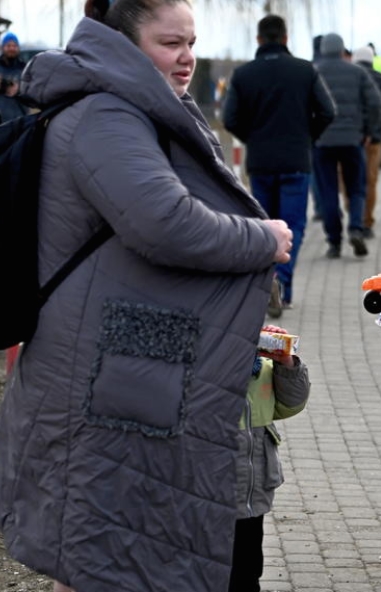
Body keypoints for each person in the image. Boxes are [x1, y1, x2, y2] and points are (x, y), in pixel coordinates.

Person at [0, 1, 295, 591]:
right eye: (170, 43)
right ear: (124, 45)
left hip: (112, 362)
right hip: (90, 369)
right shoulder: (108, 116)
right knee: (93, 547)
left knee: (99, 549)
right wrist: (262, 238)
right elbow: (163, 221)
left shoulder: (130, 108)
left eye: (191, 41)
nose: (187, 57)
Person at [224, 14, 336, 315]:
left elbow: (229, 118)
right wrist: (306, 138)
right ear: (286, 38)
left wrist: (253, 139)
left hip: (260, 163)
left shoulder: (243, 74)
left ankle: (264, 285)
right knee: (293, 226)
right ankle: (281, 284)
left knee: (264, 226)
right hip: (296, 161)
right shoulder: (304, 71)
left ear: (258, 40)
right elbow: (327, 112)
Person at [228, 324, 310, 592]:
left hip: (252, 487)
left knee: (247, 564)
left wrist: (285, 363)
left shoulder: (261, 365)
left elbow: (290, 404)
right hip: (207, 484)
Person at [313, 32, 381, 259]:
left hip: (322, 142)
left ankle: (334, 241)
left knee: (328, 191)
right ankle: (355, 227)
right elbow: (375, 102)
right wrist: (369, 131)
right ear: (343, 50)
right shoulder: (358, 72)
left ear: (323, 50)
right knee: (356, 187)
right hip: (353, 140)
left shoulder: (314, 72)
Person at [353, 45, 381, 238]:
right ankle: (367, 221)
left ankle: (354, 214)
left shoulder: (350, 78)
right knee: (370, 181)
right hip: (375, 139)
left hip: (352, 139)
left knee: (351, 181)